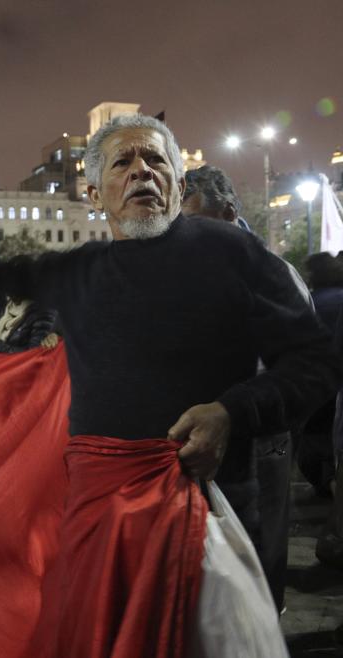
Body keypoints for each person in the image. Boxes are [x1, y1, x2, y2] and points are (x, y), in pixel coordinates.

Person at [0, 115, 340, 656]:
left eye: (157, 161)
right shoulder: (79, 271)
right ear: (93, 193)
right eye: (124, 162)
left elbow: (316, 361)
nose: (142, 172)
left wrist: (231, 413)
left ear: (179, 184)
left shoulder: (233, 254)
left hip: (211, 518)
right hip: (100, 525)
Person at [183, 164, 312, 611]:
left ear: (230, 212)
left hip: (261, 439)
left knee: (259, 546)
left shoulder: (273, 275)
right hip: (201, 437)